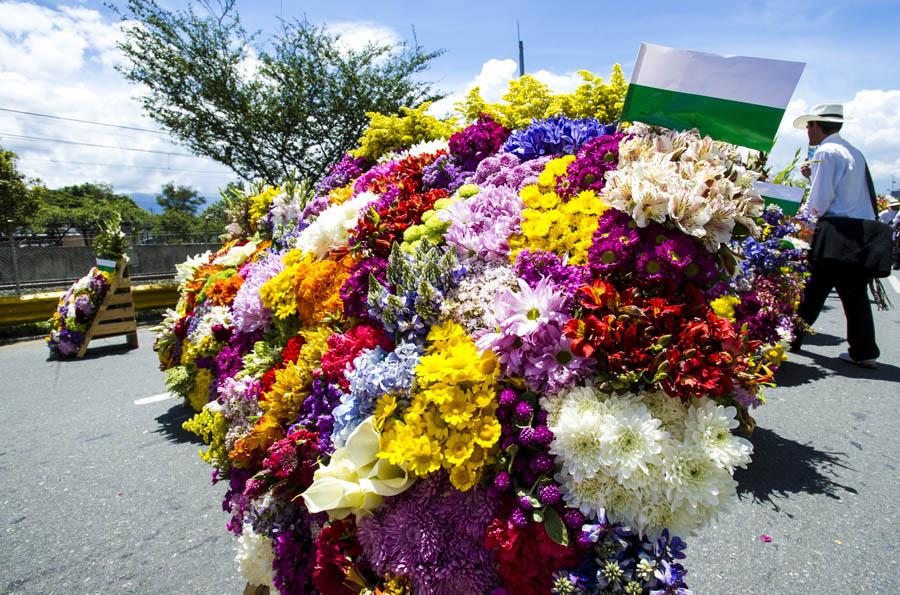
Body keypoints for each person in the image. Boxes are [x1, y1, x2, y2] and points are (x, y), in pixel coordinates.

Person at [791, 103, 880, 368]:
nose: (807, 131)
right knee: (853, 293)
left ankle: (789, 337)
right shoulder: (854, 151)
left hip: (835, 231)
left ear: (816, 126)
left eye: (809, 126)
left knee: (814, 287)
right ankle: (864, 351)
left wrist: (802, 230)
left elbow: (820, 199)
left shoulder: (826, 151)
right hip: (859, 232)